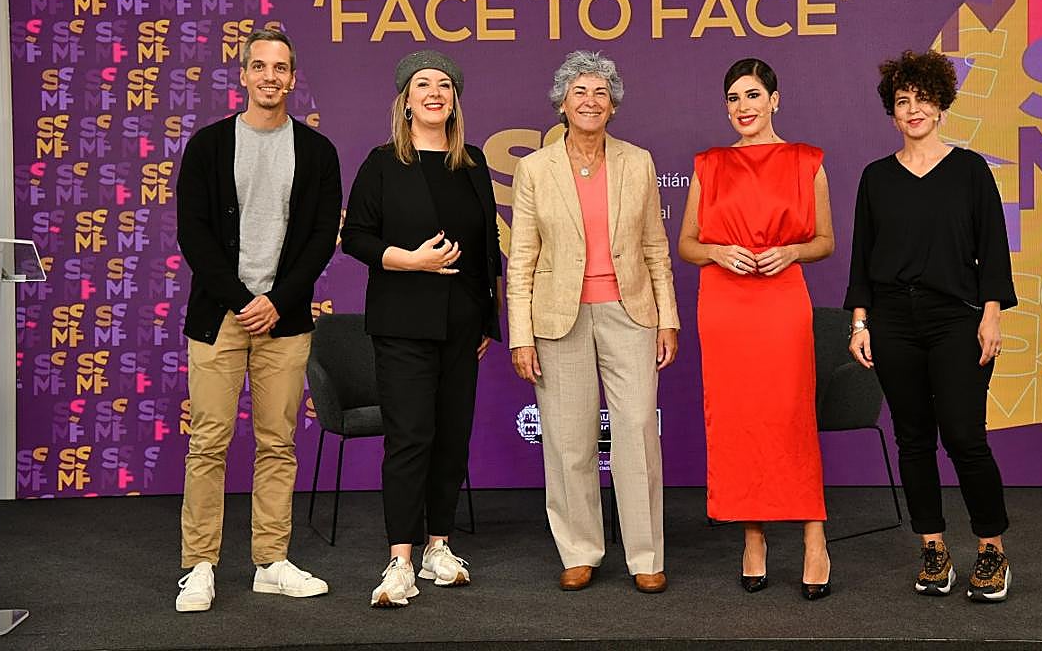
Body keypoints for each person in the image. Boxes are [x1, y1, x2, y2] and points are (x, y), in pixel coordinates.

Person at [174, 28, 342, 612]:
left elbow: (321, 238)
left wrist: (277, 300)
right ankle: (199, 565)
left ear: (292, 79)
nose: (270, 76)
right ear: (243, 74)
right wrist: (242, 299)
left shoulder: (317, 152)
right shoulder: (208, 146)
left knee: (278, 443)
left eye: (281, 68)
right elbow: (193, 233)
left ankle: (271, 561)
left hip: (285, 320)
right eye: (260, 66)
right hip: (219, 317)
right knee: (208, 443)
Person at [844, 49, 1016, 603]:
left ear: (941, 105)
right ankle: (933, 549)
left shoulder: (970, 170)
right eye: (902, 101)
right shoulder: (876, 178)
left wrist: (991, 315)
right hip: (892, 321)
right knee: (913, 439)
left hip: (957, 319)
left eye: (922, 99)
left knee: (964, 436)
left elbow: (993, 250)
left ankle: (991, 549)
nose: (913, 109)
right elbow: (862, 258)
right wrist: (860, 323)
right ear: (891, 112)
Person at [508, 50, 679, 594]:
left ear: (613, 105)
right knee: (568, 440)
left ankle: (646, 555)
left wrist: (668, 320)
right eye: (579, 92)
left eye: (600, 92)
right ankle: (579, 550)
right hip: (557, 319)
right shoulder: (535, 169)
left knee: (637, 435)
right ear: (561, 103)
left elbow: (655, 248)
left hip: (631, 313)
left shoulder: (638, 161)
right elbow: (521, 259)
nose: (590, 101)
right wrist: (520, 335)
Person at [342, 50, 502, 608]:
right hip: (404, 325)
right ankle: (401, 560)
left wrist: (487, 319)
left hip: (463, 325)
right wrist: (409, 261)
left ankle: (440, 546)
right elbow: (356, 237)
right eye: (423, 84)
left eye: (444, 85)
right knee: (410, 438)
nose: (435, 93)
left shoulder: (473, 163)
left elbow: (488, 247)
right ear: (406, 101)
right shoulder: (383, 163)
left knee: (452, 437)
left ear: (454, 100)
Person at [677, 57, 835, 600]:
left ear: (774, 100)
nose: (743, 107)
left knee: (791, 416)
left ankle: (815, 538)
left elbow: (825, 241)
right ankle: (753, 539)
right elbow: (687, 243)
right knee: (738, 420)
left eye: (752, 95)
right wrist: (718, 252)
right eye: (733, 98)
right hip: (725, 306)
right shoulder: (709, 164)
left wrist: (791, 251)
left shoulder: (807, 160)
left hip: (782, 302)